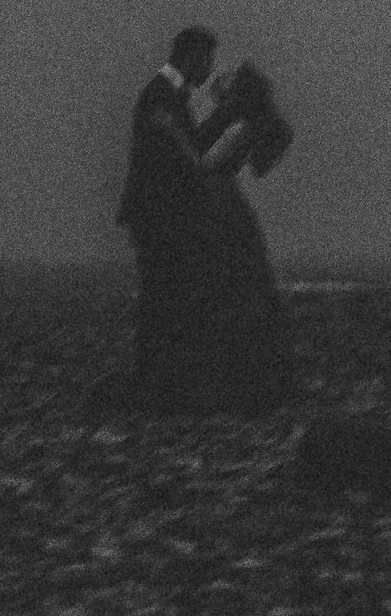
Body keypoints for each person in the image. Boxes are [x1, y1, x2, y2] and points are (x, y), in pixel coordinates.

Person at [116, 23, 292, 408]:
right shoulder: (161, 94)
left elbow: (189, 151)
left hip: (161, 214)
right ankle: (159, 380)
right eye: (207, 59)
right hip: (157, 213)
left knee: (164, 295)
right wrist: (222, 120)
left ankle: (161, 379)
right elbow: (186, 155)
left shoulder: (167, 94)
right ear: (191, 56)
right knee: (162, 295)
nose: (210, 69)